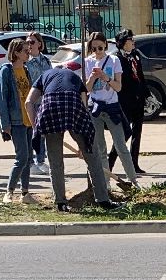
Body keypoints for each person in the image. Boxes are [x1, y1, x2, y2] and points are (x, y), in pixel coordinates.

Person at [30, 56, 114, 211]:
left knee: (55, 162)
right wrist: (85, 141)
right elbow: (84, 107)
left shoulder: (45, 75)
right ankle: (103, 201)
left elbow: (29, 102)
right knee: (93, 157)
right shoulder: (74, 77)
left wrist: (36, 126)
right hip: (73, 106)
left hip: (50, 109)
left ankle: (61, 203)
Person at [83, 32, 139, 191]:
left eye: (100, 47)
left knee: (121, 145)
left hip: (112, 106)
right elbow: (86, 89)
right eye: (94, 48)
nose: (97, 51)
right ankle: (105, 183)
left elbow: (119, 87)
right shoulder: (87, 62)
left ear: (105, 46)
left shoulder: (113, 60)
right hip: (95, 107)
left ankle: (133, 180)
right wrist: (93, 77)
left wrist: (105, 77)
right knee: (101, 148)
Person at [0, 35, 40, 205]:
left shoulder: (26, 70)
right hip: (16, 121)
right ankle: (9, 192)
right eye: (25, 51)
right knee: (21, 157)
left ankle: (25, 192)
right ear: (16, 52)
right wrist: (4, 124)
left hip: (28, 120)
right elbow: (1, 99)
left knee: (28, 158)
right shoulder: (6, 71)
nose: (28, 53)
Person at [112, 30, 149, 173]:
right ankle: (111, 162)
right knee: (123, 133)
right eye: (130, 40)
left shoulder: (136, 55)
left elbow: (140, 75)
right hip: (125, 101)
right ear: (122, 43)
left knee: (137, 132)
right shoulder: (116, 58)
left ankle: (135, 164)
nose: (133, 42)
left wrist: (146, 93)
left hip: (138, 99)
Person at [23, 31, 54, 171]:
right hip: (31, 100)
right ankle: (30, 162)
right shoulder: (26, 62)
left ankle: (41, 160)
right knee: (31, 131)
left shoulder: (46, 60)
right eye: (27, 42)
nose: (29, 45)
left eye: (32, 42)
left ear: (39, 44)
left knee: (43, 132)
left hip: (44, 100)